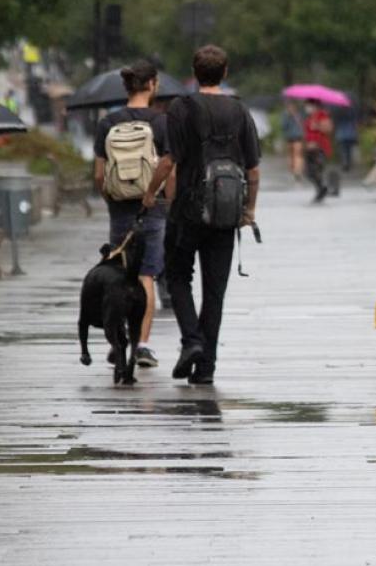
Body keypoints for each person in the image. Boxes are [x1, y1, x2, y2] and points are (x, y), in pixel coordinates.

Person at [142, 45, 260, 386]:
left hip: (187, 210)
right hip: (225, 213)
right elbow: (253, 169)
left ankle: (191, 339)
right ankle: (206, 367)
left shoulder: (182, 107)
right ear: (225, 72)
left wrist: (150, 193)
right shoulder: (239, 110)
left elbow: (169, 160)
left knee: (178, 276)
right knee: (215, 289)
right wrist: (249, 210)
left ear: (194, 74)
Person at [92, 61, 169, 368]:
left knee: (122, 276)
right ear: (151, 84)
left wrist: (110, 197)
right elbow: (169, 167)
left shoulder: (107, 123)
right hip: (153, 207)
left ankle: (119, 340)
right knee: (146, 275)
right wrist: (162, 198)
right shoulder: (161, 122)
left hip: (120, 208)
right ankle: (143, 346)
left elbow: (99, 175)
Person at [303, 99, 334, 203]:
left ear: (315, 106)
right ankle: (321, 188)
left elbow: (329, 129)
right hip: (310, 148)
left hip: (320, 148)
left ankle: (321, 190)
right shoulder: (310, 117)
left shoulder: (322, 115)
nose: (307, 108)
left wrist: (317, 126)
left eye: (309, 105)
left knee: (316, 169)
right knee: (308, 172)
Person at [281, 101, 305, 181]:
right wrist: (288, 116)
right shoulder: (285, 115)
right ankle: (293, 170)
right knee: (291, 155)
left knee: (297, 154)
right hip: (289, 137)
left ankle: (297, 171)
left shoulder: (299, 114)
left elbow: (303, 124)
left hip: (298, 137)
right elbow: (283, 126)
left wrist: (296, 117)